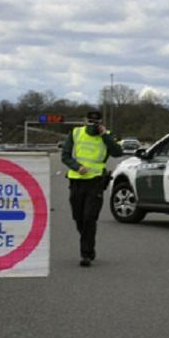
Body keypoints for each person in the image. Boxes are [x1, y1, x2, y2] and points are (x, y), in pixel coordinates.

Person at [60, 109, 122, 267]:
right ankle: (87, 242)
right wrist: (76, 166)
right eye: (90, 122)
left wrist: (105, 136)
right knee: (78, 218)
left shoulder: (106, 135)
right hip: (76, 180)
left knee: (89, 218)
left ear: (101, 122)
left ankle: (86, 254)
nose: (93, 125)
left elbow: (117, 152)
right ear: (84, 121)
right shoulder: (75, 133)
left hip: (95, 182)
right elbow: (65, 156)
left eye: (96, 122)